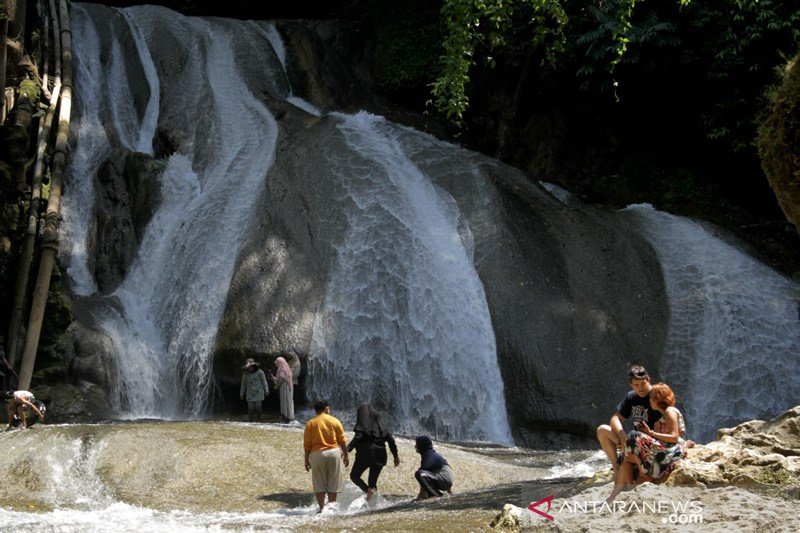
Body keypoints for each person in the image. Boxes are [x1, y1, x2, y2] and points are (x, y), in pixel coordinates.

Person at [607, 382, 686, 501]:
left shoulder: (670, 411)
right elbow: (661, 437)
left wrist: (650, 433)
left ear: (657, 399)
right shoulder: (662, 414)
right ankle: (616, 495)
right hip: (663, 449)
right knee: (627, 462)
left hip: (669, 452)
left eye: (651, 397)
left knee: (634, 436)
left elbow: (674, 437)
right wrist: (648, 432)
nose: (649, 400)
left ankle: (637, 479)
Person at [596, 365, 663, 474]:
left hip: (652, 441)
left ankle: (634, 465)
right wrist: (622, 435)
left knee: (634, 437)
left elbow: (661, 427)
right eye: (636, 385)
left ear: (648, 380)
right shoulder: (631, 397)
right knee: (602, 430)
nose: (640, 388)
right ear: (631, 385)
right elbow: (615, 418)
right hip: (633, 440)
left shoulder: (657, 396)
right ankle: (617, 467)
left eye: (643, 384)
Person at [347, 403, 400, 501]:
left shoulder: (362, 425)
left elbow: (358, 437)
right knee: (372, 481)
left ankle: (367, 490)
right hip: (380, 455)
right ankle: (373, 503)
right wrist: (395, 456)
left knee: (354, 476)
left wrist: (347, 450)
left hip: (365, 454)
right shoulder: (382, 426)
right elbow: (391, 440)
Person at [303, 400, 350, 512]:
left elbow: (307, 444)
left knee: (319, 483)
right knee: (333, 482)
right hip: (333, 452)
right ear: (326, 409)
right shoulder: (334, 421)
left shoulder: (311, 423)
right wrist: (346, 455)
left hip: (317, 454)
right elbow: (342, 440)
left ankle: (322, 508)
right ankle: (331, 509)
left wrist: (306, 460)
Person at [412, 435, 453, 501]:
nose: (415, 446)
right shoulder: (432, 454)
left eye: (417, 444)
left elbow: (422, 476)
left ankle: (436, 495)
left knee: (419, 473)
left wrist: (419, 496)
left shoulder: (428, 456)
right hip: (446, 480)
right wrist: (449, 491)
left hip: (444, 480)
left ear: (422, 446)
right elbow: (447, 466)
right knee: (422, 472)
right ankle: (429, 495)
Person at [240, 358, 268, 422]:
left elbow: (264, 381)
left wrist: (266, 389)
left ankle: (258, 420)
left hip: (259, 392)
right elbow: (243, 384)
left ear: (254, 366)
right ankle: (251, 421)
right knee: (250, 408)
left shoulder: (260, 372)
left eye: (251, 367)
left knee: (258, 407)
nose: (250, 368)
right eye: (248, 367)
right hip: (249, 392)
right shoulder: (245, 374)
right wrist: (241, 393)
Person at [268, 356, 294, 422]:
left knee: (285, 401)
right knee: (288, 401)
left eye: (277, 363)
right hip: (288, 387)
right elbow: (278, 379)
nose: (277, 365)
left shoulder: (283, 370)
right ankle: (289, 416)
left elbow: (279, 380)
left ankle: (286, 416)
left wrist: (276, 386)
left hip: (285, 388)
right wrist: (272, 377)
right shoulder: (286, 368)